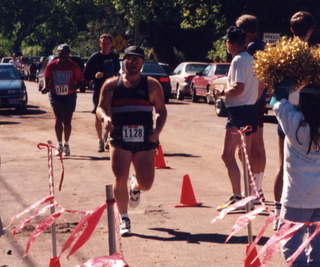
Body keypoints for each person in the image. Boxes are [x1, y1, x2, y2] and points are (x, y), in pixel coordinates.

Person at [96, 46, 167, 236]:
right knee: (120, 177)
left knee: (147, 183)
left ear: (142, 63)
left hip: (145, 139)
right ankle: (124, 218)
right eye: (129, 59)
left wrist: (157, 131)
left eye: (137, 60)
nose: (133, 63)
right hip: (119, 137)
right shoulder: (111, 85)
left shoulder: (151, 85)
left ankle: (135, 186)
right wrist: (105, 119)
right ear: (123, 60)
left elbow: (161, 110)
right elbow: (100, 108)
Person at [273, 11, 315, 229]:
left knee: (284, 165)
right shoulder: (313, 57)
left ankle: (280, 213)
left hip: (287, 115)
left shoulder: (281, 56)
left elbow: (275, 90)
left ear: (291, 29)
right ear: (311, 30)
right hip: (310, 114)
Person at [273, 83, 320, 267]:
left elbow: (276, 101)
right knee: (318, 245)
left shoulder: (293, 120)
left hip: (296, 197)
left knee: (290, 242)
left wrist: (284, 81)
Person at [216, 26, 259, 211]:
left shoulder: (238, 61)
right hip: (249, 110)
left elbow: (238, 87)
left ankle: (238, 197)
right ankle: (250, 197)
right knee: (245, 156)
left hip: (239, 113)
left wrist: (222, 92)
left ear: (230, 43)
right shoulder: (251, 59)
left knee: (228, 155)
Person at [236, 14, 266, 202]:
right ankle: (257, 188)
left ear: (245, 32)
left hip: (251, 102)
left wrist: (253, 98)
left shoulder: (251, 49)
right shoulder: (261, 46)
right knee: (256, 146)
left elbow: (258, 78)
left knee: (246, 149)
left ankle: (254, 191)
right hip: (258, 101)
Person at [44, 44, 83, 156]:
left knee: (67, 121)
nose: (63, 55)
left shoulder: (73, 66)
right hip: (56, 95)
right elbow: (47, 79)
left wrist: (73, 88)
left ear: (68, 54)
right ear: (58, 54)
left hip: (69, 95)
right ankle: (59, 145)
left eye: (65, 53)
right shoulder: (52, 66)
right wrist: (46, 87)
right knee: (58, 118)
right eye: (61, 53)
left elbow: (80, 81)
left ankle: (67, 144)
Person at [84, 33, 120, 152]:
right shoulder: (94, 57)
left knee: (111, 114)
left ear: (111, 44)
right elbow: (86, 75)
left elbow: (117, 72)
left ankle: (107, 138)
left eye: (107, 43)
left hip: (112, 90)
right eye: (103, 43)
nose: (105, 45)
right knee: (98, 115)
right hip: (99, 90)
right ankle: (100, 140)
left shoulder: (115, 57)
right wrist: (95, 75)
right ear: (100, 44)